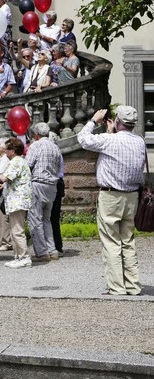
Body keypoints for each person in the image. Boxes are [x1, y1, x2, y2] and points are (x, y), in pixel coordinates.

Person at [78, 106, 146, 296]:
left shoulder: (110, 140)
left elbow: (82, 139)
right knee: (128, 241)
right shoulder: (140, 141)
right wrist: (111, 132)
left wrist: (93, 120)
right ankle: (133, 285)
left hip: (111, 195)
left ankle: (117, 286)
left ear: (117, 121)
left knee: (111, 241)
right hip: (132, 195)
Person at [0, 137, 33, 269]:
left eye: (7, 149)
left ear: (13, 151)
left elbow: (4, 177)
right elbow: (17, 180)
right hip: (17, 199)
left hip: (18, 201)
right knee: (15, 230)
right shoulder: (20, 161)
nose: (5, 152)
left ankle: (24, 257)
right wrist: (3, 187)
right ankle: (18, 256)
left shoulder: (16, 162)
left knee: (17, 230)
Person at [25, 122, 62, 262]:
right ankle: (52, 250)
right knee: (47, 219)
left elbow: (27, 165)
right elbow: (59, 168)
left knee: (35, 219)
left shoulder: (36, 145)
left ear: (36, 134)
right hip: (52, 185)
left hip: (38, 183)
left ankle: (42, 252)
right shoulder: (55, 147)